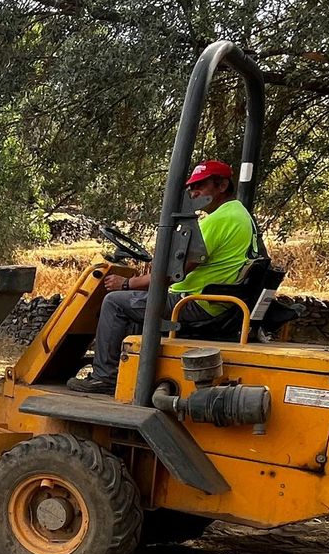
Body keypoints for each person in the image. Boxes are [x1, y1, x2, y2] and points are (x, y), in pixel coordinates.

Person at [67, 159, 255, 395]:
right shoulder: (239, 214)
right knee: (136, 304)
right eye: (191, 187)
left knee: (115, 303)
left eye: (200, 186)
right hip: (213, 302)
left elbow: (173, 272)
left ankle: (104, 377)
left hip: (196, 303)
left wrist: (126, 283)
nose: (193, 192)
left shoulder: (219, 219)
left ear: (222, 186)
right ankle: (132, 373)